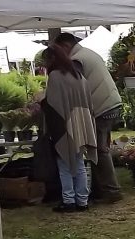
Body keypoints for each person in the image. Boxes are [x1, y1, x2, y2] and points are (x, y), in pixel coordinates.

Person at [52, 32, 123, 202]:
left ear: (65, 46)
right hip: (111, 102)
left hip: (101, 106)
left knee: (99, 150)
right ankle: (101, 190)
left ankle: (111, 191)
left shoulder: (77, 59)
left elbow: (73, 86)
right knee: (100, 149)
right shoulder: (88, 53)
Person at [43, 44, 99, 213]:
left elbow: (53, 104)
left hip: (65, 123)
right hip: (81, 122)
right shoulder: (78, 76)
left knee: (64, 163)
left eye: (45, 60)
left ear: (52, 59)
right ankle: (82, 200)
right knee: (80, 162)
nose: (44, 64)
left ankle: (69, 200)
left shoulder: (55, 76)